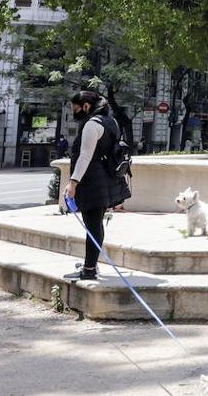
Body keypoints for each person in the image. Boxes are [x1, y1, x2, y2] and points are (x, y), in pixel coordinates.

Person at [63, 91, 130, 281]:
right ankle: (90, 264)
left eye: (73, 107)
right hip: (106, 179)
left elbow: (85, 156)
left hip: (91, 181)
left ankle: (89, 269)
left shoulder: (92, 125)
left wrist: (73, 183)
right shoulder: (111, 122)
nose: (73, 111)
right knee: (96, 224)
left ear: (85, 106)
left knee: (92, 225)